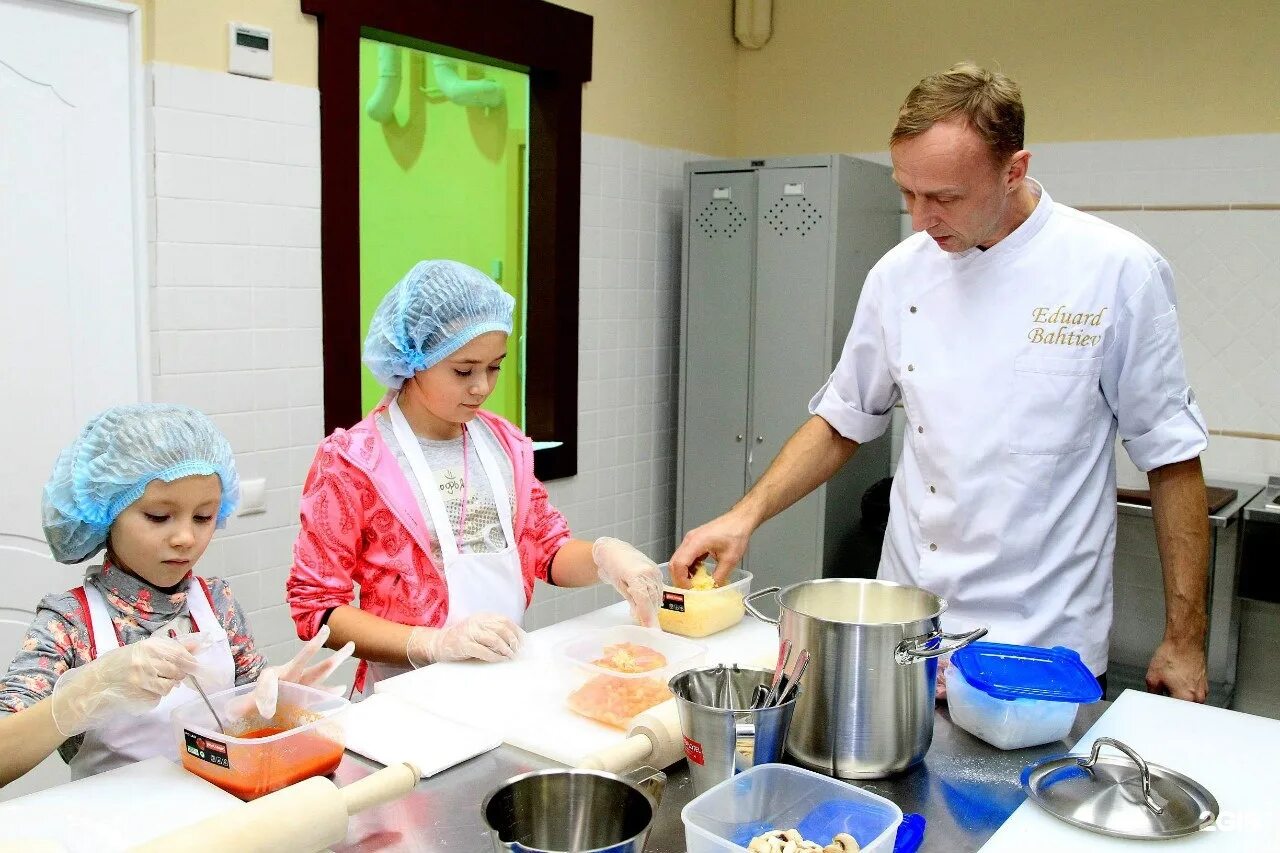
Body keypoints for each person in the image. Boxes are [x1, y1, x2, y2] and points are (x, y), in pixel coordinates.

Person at [671, 62, 1211, 703]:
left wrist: (1184, 639)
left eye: (947, 197)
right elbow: (845, 419)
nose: (922, 218)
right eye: (909, 193)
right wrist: (743, 516)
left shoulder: (1115, 270)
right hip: (907, 636)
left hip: (1038, 647)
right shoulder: (900, 275)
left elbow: (1171, 457)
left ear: (1014, 169)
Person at [286, 260, 663, 694]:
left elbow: (547, 550)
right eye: (463, 371)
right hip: (404, 696)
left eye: (495, 366)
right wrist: (431, 643)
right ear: (414, 360)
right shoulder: (355, 462)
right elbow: (318, 610)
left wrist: (604, 558)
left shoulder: (504, 444)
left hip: (502, 682)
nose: (482, 387)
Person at [0, 404, 352, 787]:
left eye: (203, 517)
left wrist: (279, 705)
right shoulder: (69, 621)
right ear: (106, 514)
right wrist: (86, 692)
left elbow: (250, 716)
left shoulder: (216, 602)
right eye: (158, 516)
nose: (185, 538)